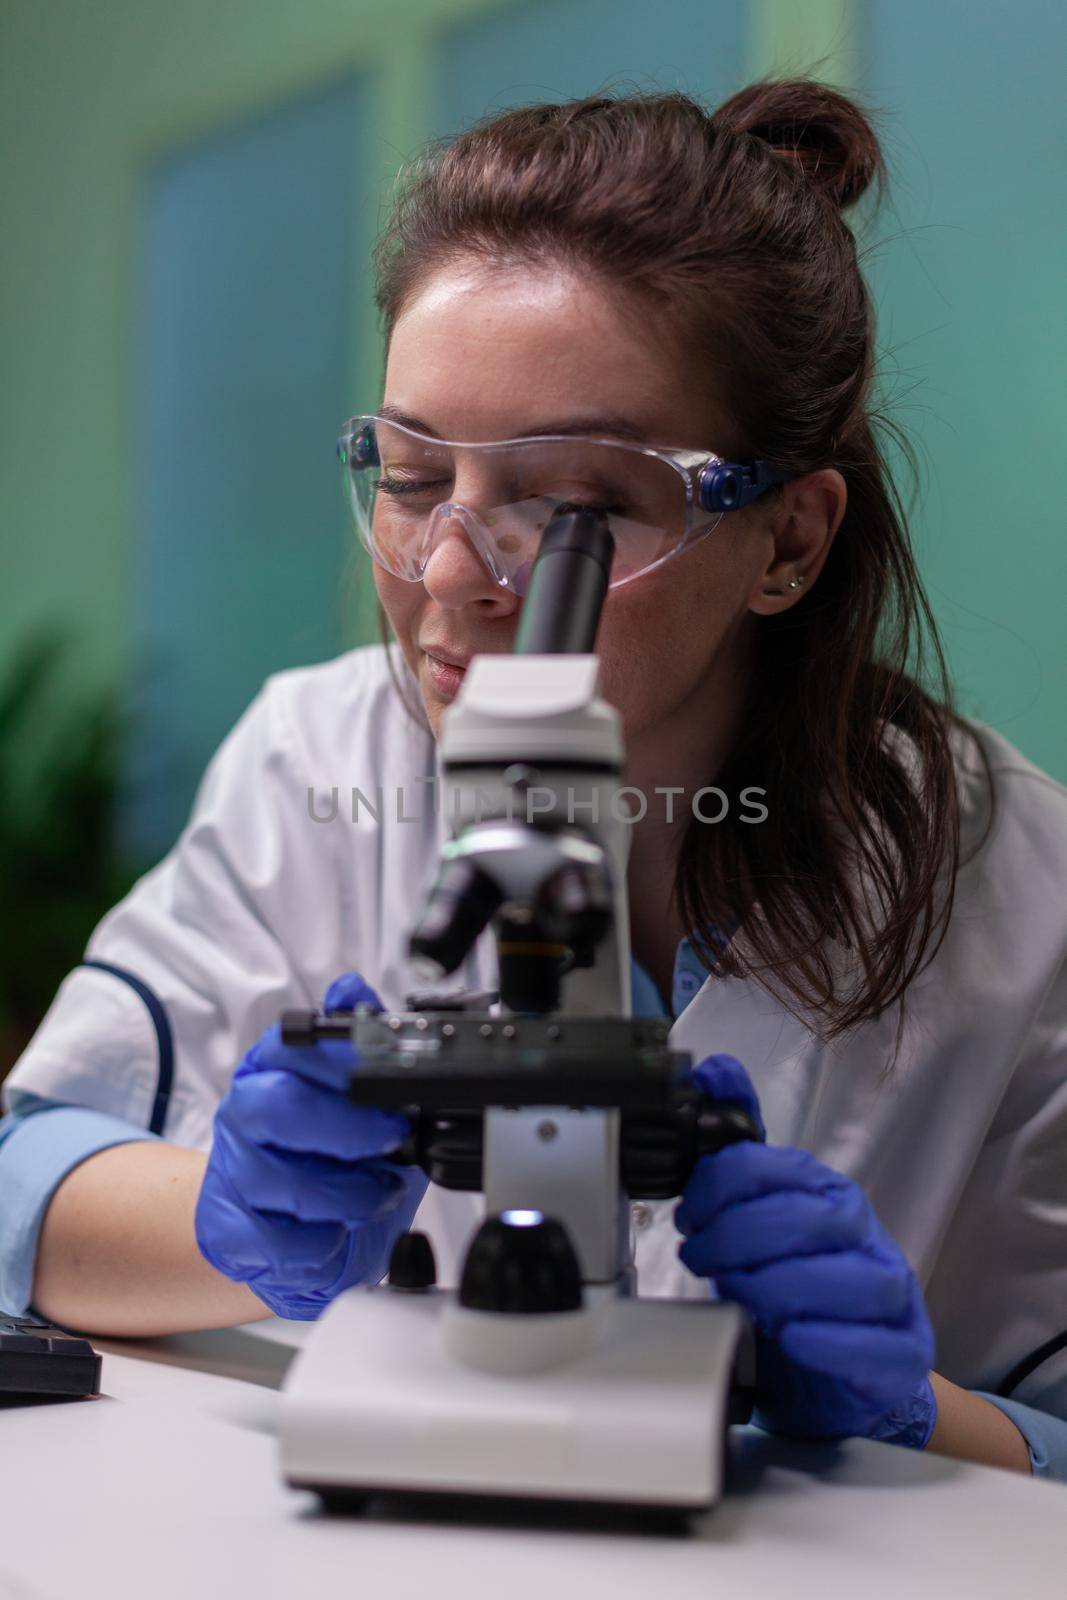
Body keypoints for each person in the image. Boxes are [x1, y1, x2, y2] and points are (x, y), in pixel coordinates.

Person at [2, 78, 1065, 1479]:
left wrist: (916, 1417)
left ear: (789, 543)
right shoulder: (319, 757)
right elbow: (28, 1181)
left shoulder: (1019, 887)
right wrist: (234, 1225)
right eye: (410, 474)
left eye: (579, 509)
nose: (450, 574)